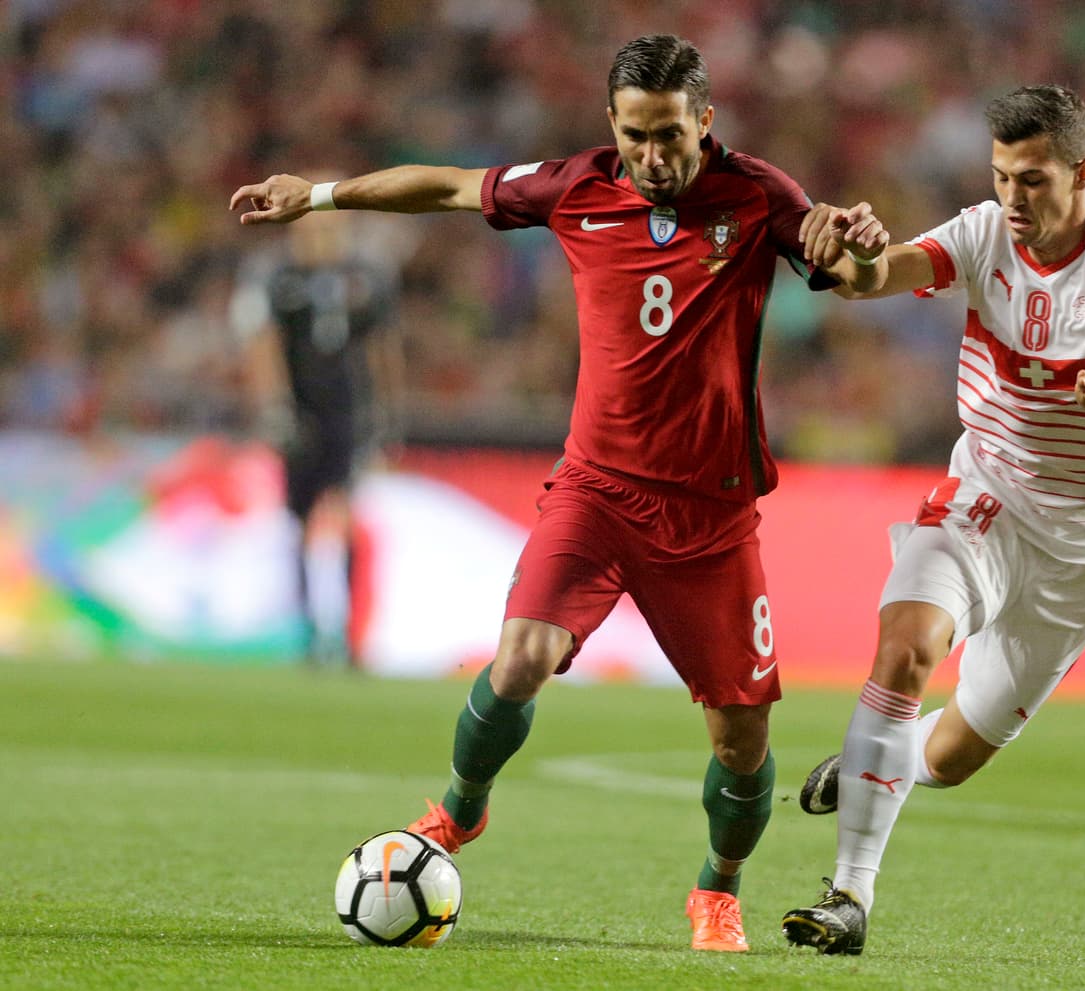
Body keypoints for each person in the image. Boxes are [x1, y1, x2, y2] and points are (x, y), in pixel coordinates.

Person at [230, 34, 867, 952]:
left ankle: (717, 886)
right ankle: (458, 813)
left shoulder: (760, 195)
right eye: (639, 134)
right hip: (596, 491)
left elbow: (841, 273)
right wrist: (321, 196)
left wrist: (849, 249)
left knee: (741, 739)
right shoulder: (574, 187)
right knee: (521, 654)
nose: (656, 156)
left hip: (711, 515)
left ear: (707, 123)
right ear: (613, 124)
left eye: (673, 136)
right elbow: (449, 186)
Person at [780, 85, 1085, 955]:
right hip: (987, 494)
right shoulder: (980, 233)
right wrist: (844, 255)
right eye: (1002, 176)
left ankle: (874, 764)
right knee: (905, 645)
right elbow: (876, 276)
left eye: (1034, 180)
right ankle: (850, 892)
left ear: (1083, 174)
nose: (1013, 198)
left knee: (957, 753)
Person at [232, 204, 405, 666]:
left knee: (347, 513)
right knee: (302, 519)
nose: (324, 234)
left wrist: (386, 410)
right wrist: (275, 406)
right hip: (302, 413)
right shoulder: (276, 276)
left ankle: (350, 636)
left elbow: (380, 346)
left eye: (332, 224)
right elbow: (263, 343)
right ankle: (309, 630)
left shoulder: (365, 277)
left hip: (348, 412)